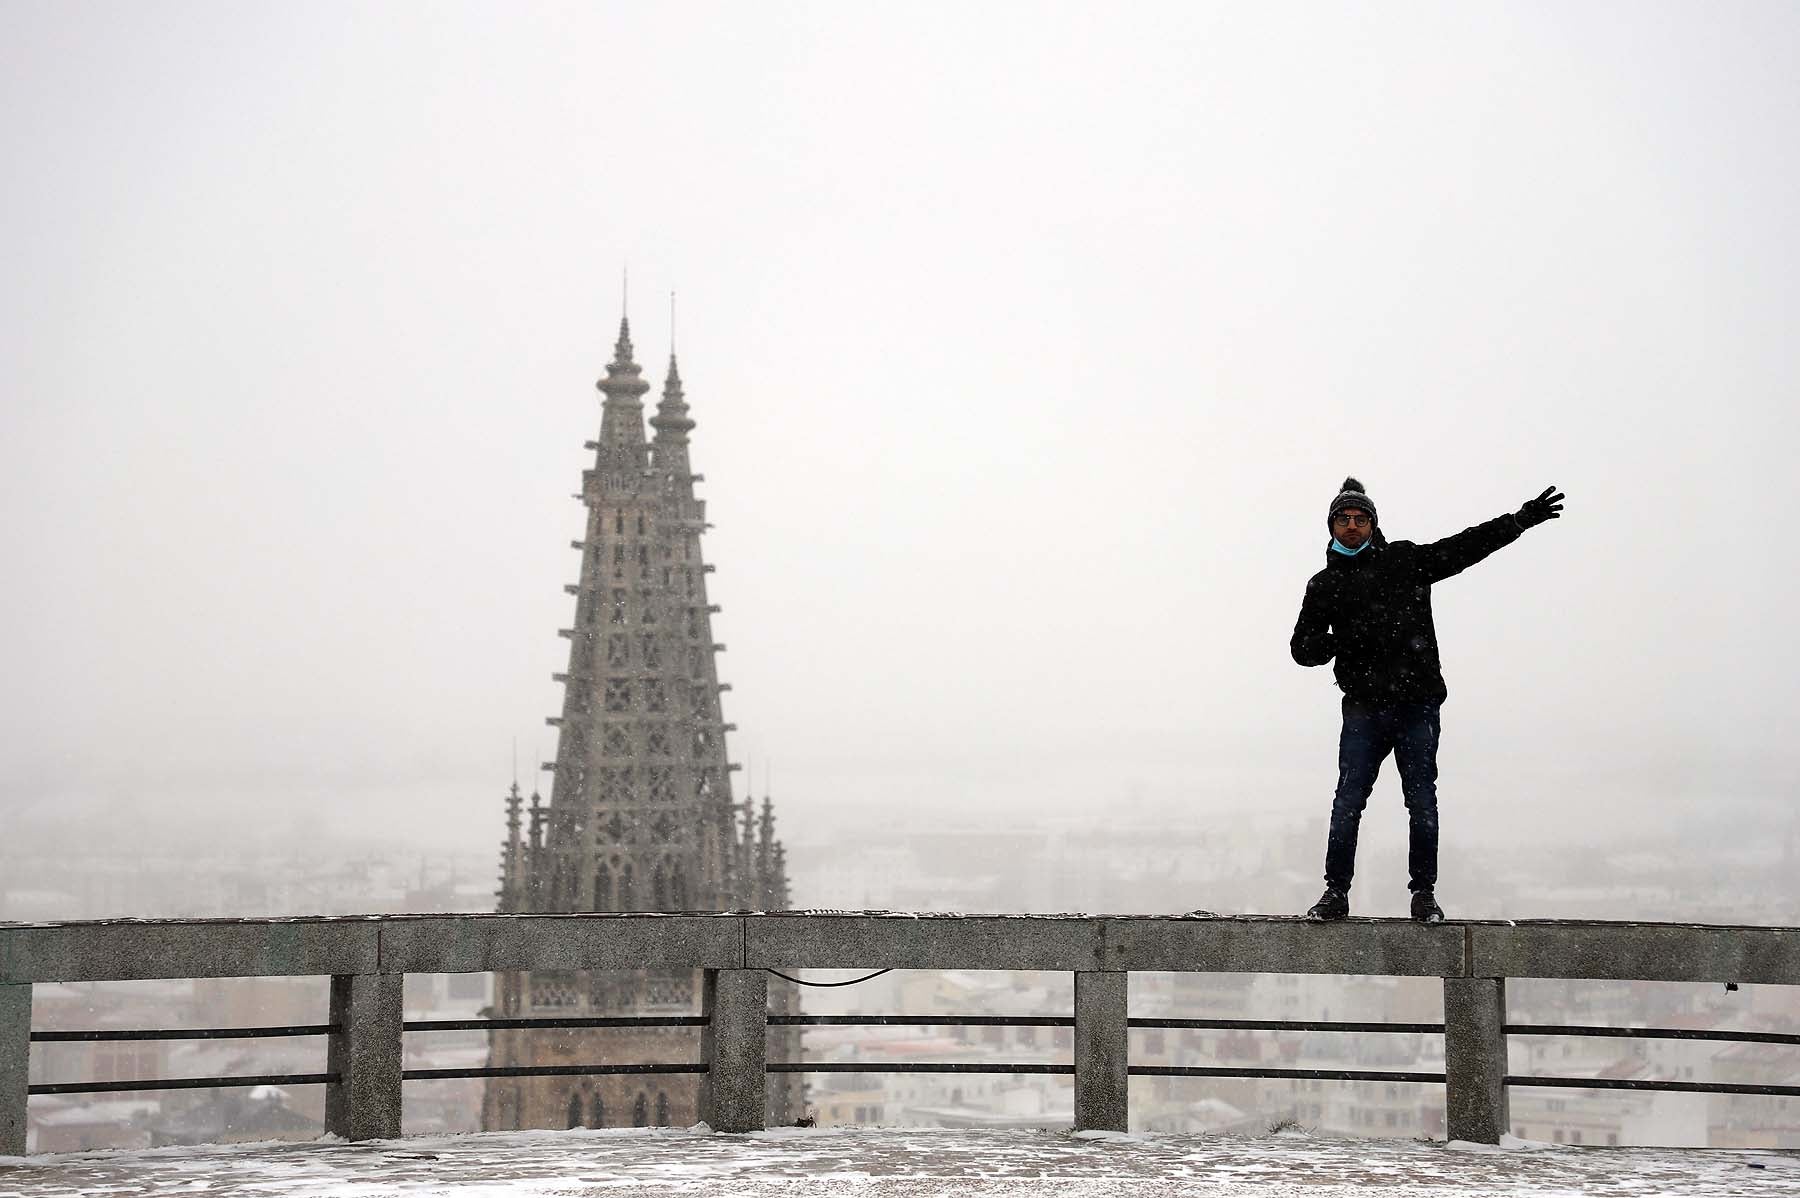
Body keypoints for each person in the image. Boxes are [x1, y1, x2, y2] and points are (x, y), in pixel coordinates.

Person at [1290, 478, 1564, 923]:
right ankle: (1335, 893)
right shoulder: (1324, 586)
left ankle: (1424, 895)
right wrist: (1336, 642)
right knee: (1348, 801)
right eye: (1344, 519)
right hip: (1363, 708)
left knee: (1421, 801)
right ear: (1331, 527)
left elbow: (1463, 549)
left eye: (1361, 519)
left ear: (1374, 525)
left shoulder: (1403, 561)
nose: (1353, 526)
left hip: (1416, 704)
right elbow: (1302, 649)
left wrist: (1518, 521)